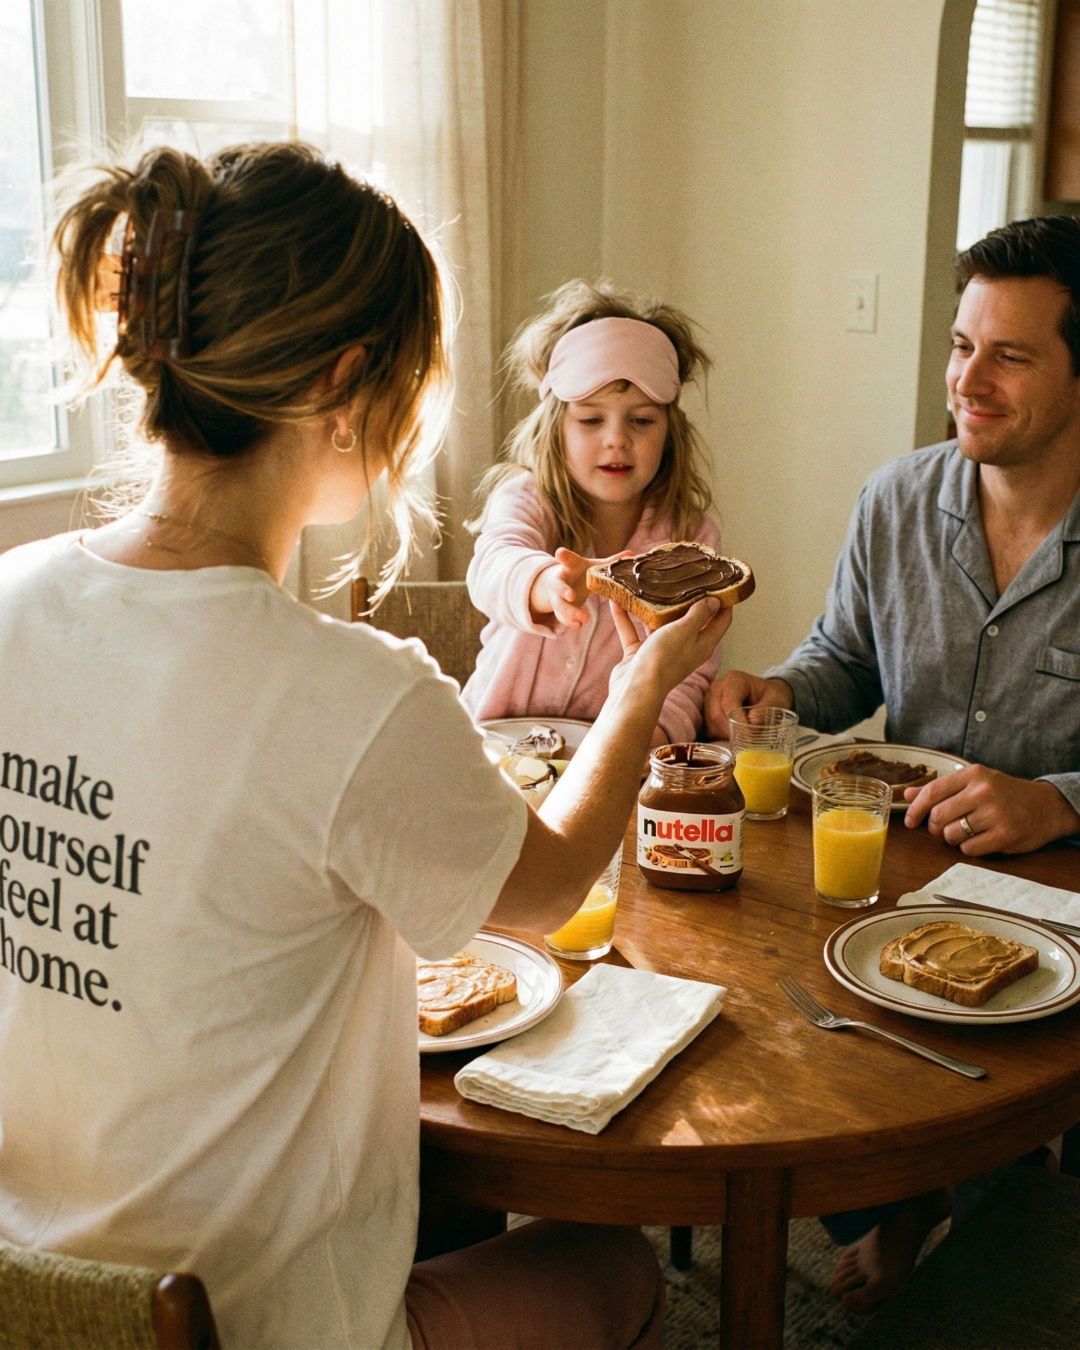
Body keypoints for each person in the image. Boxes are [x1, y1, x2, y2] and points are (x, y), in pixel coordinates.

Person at [0, 143, 732, 1350]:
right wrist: (648, 673)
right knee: (612, 1267)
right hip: (263, 1326)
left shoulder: (16, 595)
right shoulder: (349, 695)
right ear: (348, 383)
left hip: (34, 1295)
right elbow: (545, 895)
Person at [706, 215, 1080, 1311]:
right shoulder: (897, 499)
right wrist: (777, 692)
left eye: (1011, 355)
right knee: (788, 1037)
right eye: (963, 347)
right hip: (895, 868)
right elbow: (842, 657)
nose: (971, 379)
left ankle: (994, 1199)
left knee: (995, 1090)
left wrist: (1053, 804)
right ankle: (911, 1201)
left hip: (1059, 898)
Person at [461, 281, 722, 747]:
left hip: (609, 763)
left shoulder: (691, 538)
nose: (616, 439)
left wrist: (654, 734)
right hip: (495, 755)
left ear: (670, 431)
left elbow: (687, 675)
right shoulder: (525, 498)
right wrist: (547, 584)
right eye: (590, 420)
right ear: (555, 426)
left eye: (641, 420)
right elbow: (495, 563)